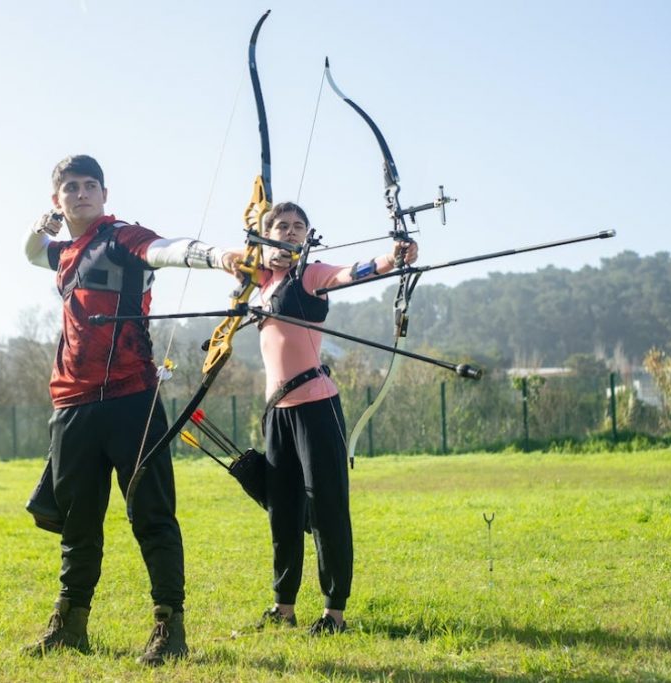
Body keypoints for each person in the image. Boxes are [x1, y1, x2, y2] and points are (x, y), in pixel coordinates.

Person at [21, 154, 241, 665]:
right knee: (78, 521)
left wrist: (220, 257)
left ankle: (170, 625)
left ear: (104, 193)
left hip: (130, 398)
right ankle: (70, 623)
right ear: (57, 199)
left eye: (89, 186)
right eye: (70, 188)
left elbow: (166, 251)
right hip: (72, 403)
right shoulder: (66, 252)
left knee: (152, 515)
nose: (80, 194)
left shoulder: (121, 237)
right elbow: (32, 253)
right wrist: (40, 227)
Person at [252, 201, 418, 635]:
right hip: (277, 414)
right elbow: (239, 258)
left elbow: (353, 272)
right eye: (281, 226)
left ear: (307, 235)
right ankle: (283, 606)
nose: (290, 233)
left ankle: (333, 613)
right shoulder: (262, 284)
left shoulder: (311, 273)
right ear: (267, 233)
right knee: (283, 512)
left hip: (315, 407)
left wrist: (391, 258)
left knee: (326, 508)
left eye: (297, 227)